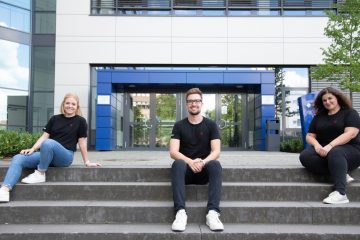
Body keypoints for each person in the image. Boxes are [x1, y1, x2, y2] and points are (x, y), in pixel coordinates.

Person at [0, 93, 101, 203]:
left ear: (77, 106)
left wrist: (87, 161)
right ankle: (5, 189)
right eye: (67, 103)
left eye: (73, 104)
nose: (70, 106)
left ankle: (40, 173)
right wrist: (32, 149)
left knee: (48, 143)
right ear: (63, 104)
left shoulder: (80, 121)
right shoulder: (54, 119)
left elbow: (82, 142)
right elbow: (44, 136)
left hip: (64, 156)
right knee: (18, 158)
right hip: (46, 154)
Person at [169, 88, 224, 232]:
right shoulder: (179, 126)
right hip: (185, 172)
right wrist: (190, 162)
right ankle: (180, 213)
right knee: (177, 163)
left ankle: (212, 213)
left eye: (197, 101)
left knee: (215, 164)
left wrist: (202, 162)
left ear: (201, 103)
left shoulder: (211, 125)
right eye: (190, 101)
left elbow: (216, 151)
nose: (194, 104)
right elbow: (173, 152)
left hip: (203, 171)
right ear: (186, 105)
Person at [299, 87, 360, 204]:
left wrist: (330, 146)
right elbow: (309, 136)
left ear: (337, 98)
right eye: (324, 100)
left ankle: (341, 193)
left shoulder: (350, 113)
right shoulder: (319, 116)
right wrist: (317, 146)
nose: (327, 102)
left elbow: (351, 133)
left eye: (330, 98)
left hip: (351, 150)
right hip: (325, 150)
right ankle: (341, 172)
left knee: (336, 152)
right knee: (305, 156)